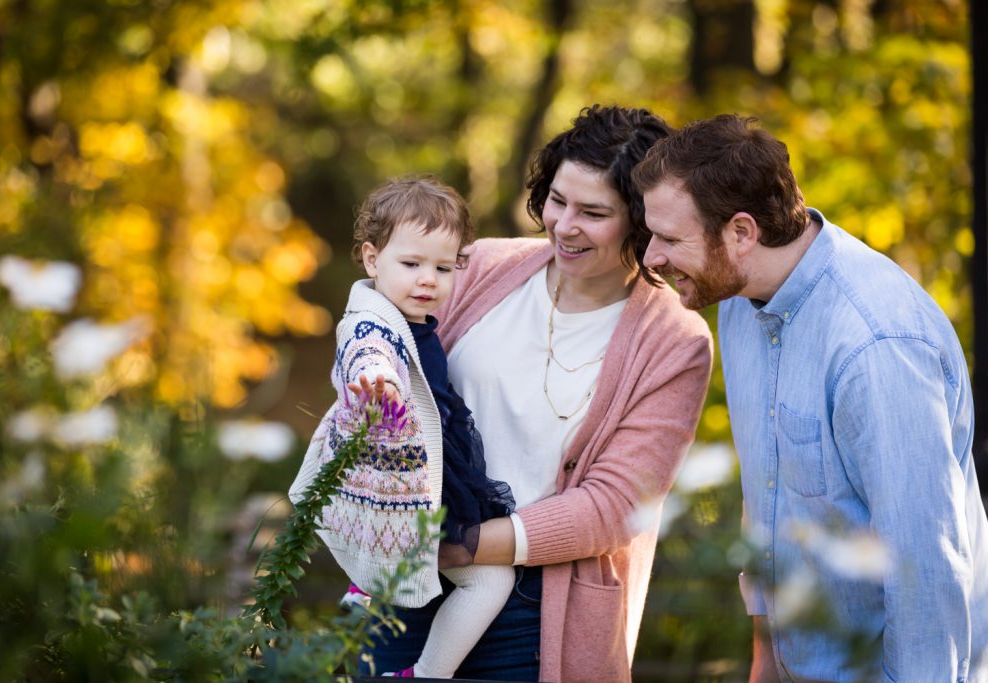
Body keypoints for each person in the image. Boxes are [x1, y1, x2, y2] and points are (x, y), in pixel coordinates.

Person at [363, 105, 713, 682]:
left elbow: (614, 507)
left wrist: (463, 548)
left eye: (593, 212)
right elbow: (377, 332)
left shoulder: (673, 342)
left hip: (534, 611)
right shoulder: (476, 268)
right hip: (405, 576)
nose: (563, 225)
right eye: (557, 200)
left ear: (643, 220)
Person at [634, 114, 988, 682]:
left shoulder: (875, 344)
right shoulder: (738, 299)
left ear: (742, 232)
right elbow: (769, 502)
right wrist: (766, 657)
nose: (651, 257)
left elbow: (927, 571)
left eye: (671, 240)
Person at [288, 176, 517, 679]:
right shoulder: (372, 320)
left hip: (416, 475)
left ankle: (367, 584)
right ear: (372, 259)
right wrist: (376, 379)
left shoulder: (413, 318)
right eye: (411, 264)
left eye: (443, 267)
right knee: (490, 580)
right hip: (406, 480)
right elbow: (365, 351)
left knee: (477, 575)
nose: (427, 280)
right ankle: (428, 673)